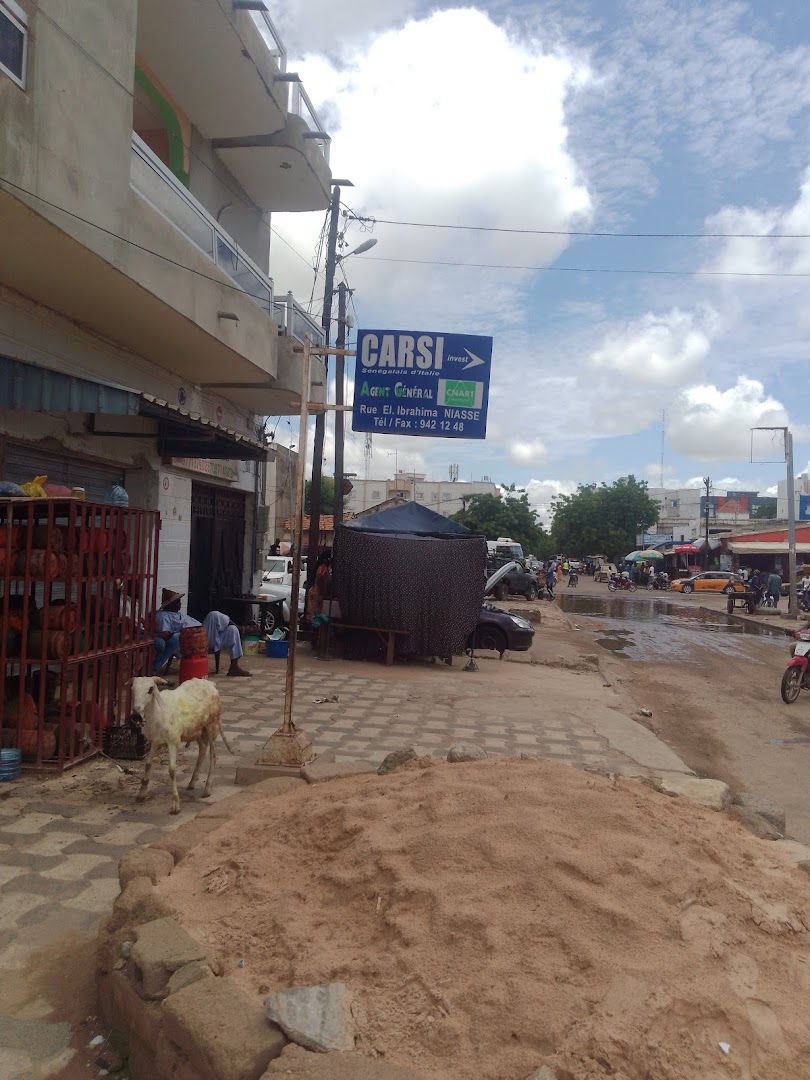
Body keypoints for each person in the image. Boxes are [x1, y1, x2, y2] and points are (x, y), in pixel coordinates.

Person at [154, 590, 252, 677]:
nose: (180, 604)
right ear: (169, 605)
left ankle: (234, 667)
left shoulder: (179, 614)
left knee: (232, 629)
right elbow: (167, 634)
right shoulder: (163, 616)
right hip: (192, 641)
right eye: (177, 603)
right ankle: (242, 629)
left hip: (203, 637)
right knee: (214, 615)